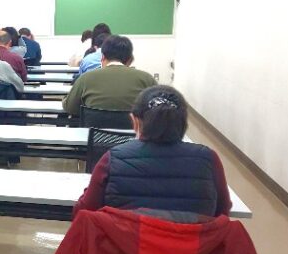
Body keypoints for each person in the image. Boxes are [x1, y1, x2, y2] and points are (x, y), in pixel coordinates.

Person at [73, 85, 233, 218]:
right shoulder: (208, 159)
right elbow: (222, 212)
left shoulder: (113, 159)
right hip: (192, 247)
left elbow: (84, 212)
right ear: (183, 123)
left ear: (135, 121)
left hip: (126, 247)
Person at [63, 35, 157, 116]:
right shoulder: (147, 79)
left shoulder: (85, 78)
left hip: (95, 131)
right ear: (130, 60)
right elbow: (157, 110)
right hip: (133, 131)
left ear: (103, 57)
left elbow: (70, 108)